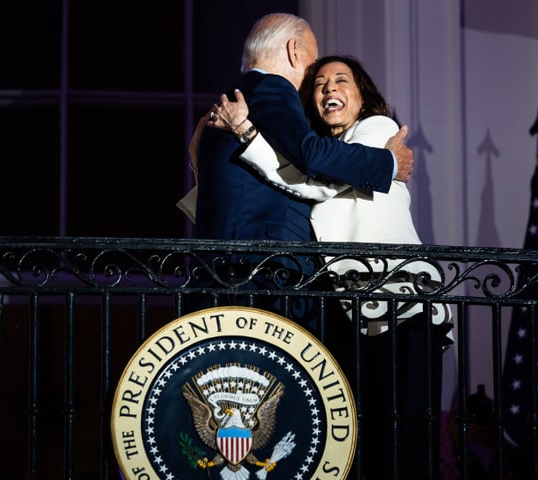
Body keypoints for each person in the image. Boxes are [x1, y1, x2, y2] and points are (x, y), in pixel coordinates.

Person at [191, 55, 453, 480]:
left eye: (341, 80)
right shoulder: (328, 154)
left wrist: (245, 131)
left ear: (362, 94)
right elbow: (298, 177)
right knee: (362, 447)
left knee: (408, 449)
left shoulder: (379, 131)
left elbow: (312, 181)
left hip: (402, 309)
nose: (329, 88)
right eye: (320, 85)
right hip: (353, 315)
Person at [183, 12, 413, 326]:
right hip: (263, 274)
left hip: (238, 273)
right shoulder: (270, 88)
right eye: (313, 62)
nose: (313, 75)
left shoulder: (239, 101)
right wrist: (388, 163)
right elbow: (311, 155)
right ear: (294, 50)